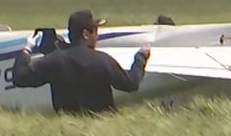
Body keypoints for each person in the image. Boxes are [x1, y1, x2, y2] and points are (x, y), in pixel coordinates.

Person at [12, 10, 149, 115]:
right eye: (95, 31)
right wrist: (141, 57)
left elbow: (20, 77)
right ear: (85, 34)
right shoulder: (102, 60)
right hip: (102, 131)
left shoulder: (53, 60)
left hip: (66, 133)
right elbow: (131, 84)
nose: (97, 36)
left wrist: (26, 49)